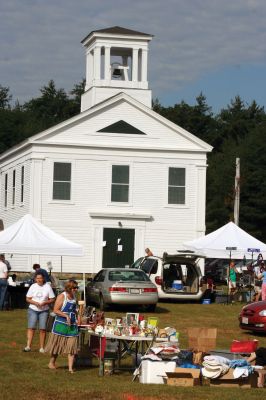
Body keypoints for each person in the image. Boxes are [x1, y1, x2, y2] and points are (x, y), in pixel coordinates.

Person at [45, 279, 79, 373]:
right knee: (57, 344)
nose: (76, 289)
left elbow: (74, 309)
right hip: (60, 323)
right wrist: (66, 316)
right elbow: (55, 310)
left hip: (72, 324)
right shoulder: (62, 296)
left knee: (72, 345)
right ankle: (51, 363)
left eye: (77, 287)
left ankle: (70, 368)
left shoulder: (74, 296)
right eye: (74, 287)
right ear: (69, 288)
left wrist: (78, 314)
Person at [24, 272, 55, 352]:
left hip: (44, 310)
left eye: (40, 278)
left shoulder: (47, 287)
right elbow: (27, 298)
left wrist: (45, 302)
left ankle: (41, 347)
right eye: (37, 278)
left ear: (43, 278)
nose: (39, 280)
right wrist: (35, 303)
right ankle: (28, 346)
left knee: (43, 329)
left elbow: (52, 299)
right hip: (33, 309)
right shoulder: (33, 286)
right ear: (35, 279)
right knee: (31, 328)